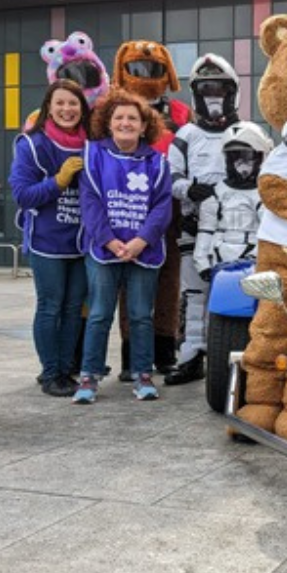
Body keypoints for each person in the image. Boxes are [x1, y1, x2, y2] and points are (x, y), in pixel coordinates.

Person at [73, 88, 172, 404]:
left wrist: (141, 241)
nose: (126, 123)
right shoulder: (93, 155)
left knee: (142, 315)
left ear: (144, 126)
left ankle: (143, 375)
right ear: (108, 122)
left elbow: (162, 207)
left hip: (144, 251)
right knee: (100, 314)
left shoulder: (157, 162)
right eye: (120, 118)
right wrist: (111, 242)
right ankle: (89, 377)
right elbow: (89, 203)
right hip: (105, 250)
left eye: (133, 118)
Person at [111, 39, 191, 381]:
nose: (145, 76)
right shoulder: (116, 109)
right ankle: (131, 356)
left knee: (169, 283)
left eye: (153, 69)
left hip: (170, 206)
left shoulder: (180, 113)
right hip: (127, 205)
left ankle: (164, 350)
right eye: (137, 69)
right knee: (130, 284)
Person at [9, 80, 91, 397]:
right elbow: (22, 195)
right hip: (47, 243)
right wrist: (58, 182)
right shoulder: (32, 144)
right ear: (49, 106)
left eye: (73, 103)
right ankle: (50, 373)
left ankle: (66, 369)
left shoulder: (92, 144)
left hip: (82, 242)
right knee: (50, 307)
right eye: (60, 103)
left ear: (82, 108)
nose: (67, 109)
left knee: (73, 308)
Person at [165, 53, 241, 385]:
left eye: (220, 90)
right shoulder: (185, 136)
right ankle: (192, 355)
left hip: (237, 230)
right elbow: (169, 179)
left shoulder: (245, 131)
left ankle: (231, 357)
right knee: (194, 295)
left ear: (232, 93)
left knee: (235, 293)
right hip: (194, 227)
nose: (214, 97)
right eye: (206, 90)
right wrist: (189, 190)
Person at [192, 121, 272, 279]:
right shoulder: (215, 193)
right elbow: (206, 231)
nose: (240, 163)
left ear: (261, 157)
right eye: (234, 156)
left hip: (253, 261)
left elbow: (269, 234)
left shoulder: (266, 195)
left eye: (247, 156)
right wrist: (202, 264)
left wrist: (256, 257)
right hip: (219, 259)